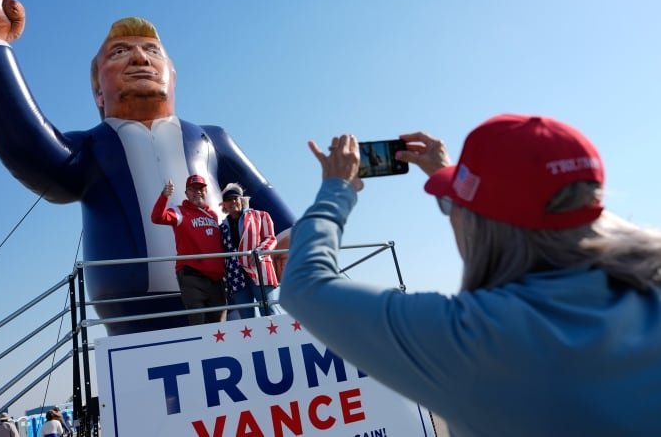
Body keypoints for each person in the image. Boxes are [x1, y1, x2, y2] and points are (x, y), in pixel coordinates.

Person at [0, 0, 294, 335]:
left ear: (173, 75)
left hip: (230, 303)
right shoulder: (93, 147)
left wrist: (299, 244)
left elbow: (279, 216)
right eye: (120, 52)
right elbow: (26, 149)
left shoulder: (210, 140)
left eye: (152, 51)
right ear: (97, 91)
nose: (140, 58)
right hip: (135, 319)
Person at [279, 114, 661, 436]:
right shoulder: (650, 291)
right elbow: (512, 216)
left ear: (480, 224)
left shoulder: (473, 337)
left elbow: (304, 285)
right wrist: (456, 178)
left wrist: (336, 189)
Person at [151, 175, 226, 324]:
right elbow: (157, 217)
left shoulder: (213, 215)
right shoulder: (179, 212)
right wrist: (164, 196)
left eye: (201, 189)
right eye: (193, 189)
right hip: (192, 276)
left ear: (206, 192)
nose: (197, 192)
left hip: (216, 279)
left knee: (219, 326)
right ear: (186, 193)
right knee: (198, 322)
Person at [219, 183, 282, 318]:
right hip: (236, 277)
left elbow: (271, 238)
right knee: (246, 319)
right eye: (228, 200)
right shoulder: (222, 227)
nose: (232, 202)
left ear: (241, 200)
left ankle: (280, 339)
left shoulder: (261, 216)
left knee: (269, 312)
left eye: (235, 198)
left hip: (259, 270)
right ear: (224, 204)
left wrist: (260, 251)